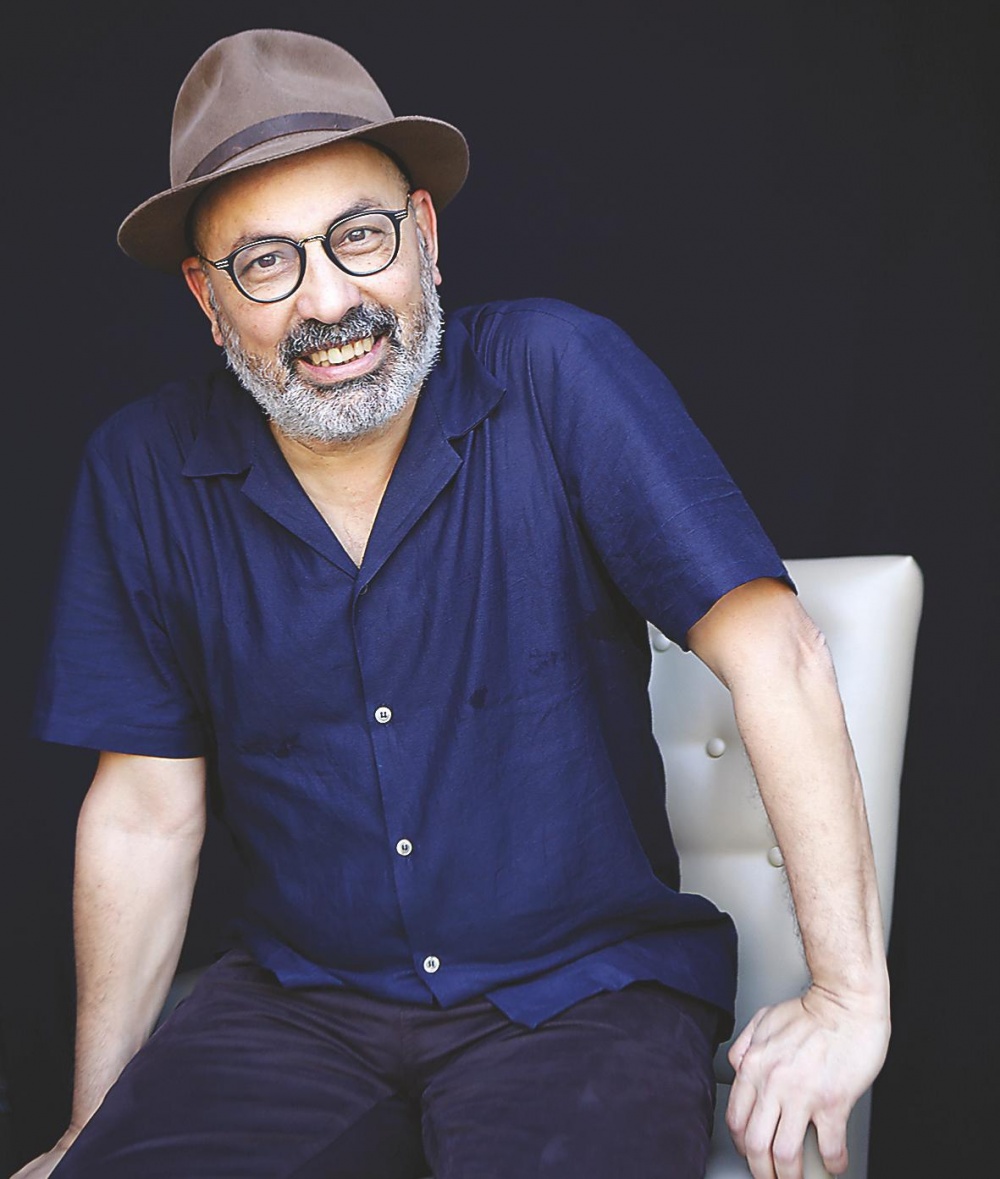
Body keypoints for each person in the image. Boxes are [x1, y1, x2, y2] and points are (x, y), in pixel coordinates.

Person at [15, 27, 890, 1179]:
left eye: (360, 236)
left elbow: (777, 653)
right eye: (266, 262)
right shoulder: (142, 471)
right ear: (208, 297)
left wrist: (846, 998)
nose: (329, 300)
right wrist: (93, 1131)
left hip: (583, 996)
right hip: (296, 1005)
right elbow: (142, 814)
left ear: (423, 235)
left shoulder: (558, 372)